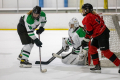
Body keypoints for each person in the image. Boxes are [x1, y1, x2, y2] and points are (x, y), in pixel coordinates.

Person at [81, 3, 120, 73]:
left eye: (83, 10)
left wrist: (85, 39)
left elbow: (89, 32)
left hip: (101, 35)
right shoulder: (95, 15)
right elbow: (101, 23)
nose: (82, 11)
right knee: (92, 49)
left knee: (105, 52)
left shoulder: (86, 18)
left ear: (87, 10)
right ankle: (97, 66)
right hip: (101, 33)